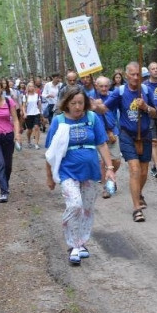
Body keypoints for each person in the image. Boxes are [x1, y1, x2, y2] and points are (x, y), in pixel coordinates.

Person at [45, 85, 117, 265]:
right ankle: (72, 245)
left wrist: (109, 168)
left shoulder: (92, 118)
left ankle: (81, 243)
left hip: (90, 171)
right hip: (68, 171)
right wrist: (49, 177)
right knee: (75, 205)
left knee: (86, 208)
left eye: (81, 103)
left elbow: (102, 144)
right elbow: (51, 152)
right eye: (73, 103)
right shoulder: (59, 121)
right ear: (66, 104)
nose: (77, 107)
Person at [97, 61, 157, 222]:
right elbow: (105, 108)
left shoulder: (146, 90)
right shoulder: (120, 92)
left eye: (138, 74)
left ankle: (138, 192)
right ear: (126, 75)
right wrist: (95, 106)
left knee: (144, 172)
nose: (135, 77)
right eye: (132, 74)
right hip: (126, 135)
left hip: (145, 134)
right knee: (135, 169)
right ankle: (136, 208)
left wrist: (146, 107)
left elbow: (155, 113)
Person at [93, 74, 121, 197]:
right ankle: (106, 186)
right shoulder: (91, 98)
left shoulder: (113, 96)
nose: (104, 89)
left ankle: (111, 176)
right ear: (96, 86)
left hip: (113, 131)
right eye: (101, 86)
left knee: (116, 160)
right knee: (102, 162)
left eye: (106, 86)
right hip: (98, 134)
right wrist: (94, 105)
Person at [23, 82, 43, 148]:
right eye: (29, 86)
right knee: (29, 130)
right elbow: (23, 106)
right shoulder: (25, 96)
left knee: (36, 127)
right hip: (28, 114)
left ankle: (36, 143)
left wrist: (40, 113)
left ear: (34, 87)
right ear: (27, 88)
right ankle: (29, 140)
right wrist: (24, 113)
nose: (31, 87)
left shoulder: (37, 95)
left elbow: (39, 105)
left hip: (36, 113)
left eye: (32, 86)